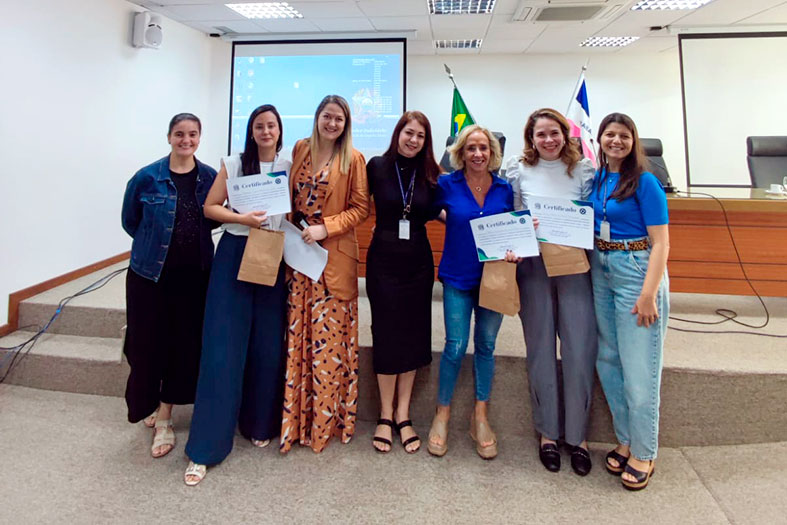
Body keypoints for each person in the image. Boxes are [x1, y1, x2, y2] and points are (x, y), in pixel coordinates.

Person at [183, 105, 291, 485]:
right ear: (251, 130)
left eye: (272, 125)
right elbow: (210, 207)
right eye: (259, 126)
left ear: (280, 130)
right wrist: (241, 218)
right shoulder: (233, 163)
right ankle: (205, 447)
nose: (266, 131)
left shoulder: (290, 163)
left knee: (266, 345)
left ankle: (258, 422)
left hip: (272, 256)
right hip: (234, 254)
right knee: (222, 348)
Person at [503, 108, 597, 475]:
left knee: (579, 347)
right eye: (540, 134)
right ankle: (547, 433)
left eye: (554, 133)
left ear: (565, 134)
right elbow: (511, 216)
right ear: (531, 138)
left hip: (575, 266)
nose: (548, 140)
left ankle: (578, 436)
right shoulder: (517, 169)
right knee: (540, 348)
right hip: (534, 267)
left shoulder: (584, 169)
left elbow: (594, 216)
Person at [121, 113, 217, 459]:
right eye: (179, 134)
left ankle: (165, 416)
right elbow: (130, 221)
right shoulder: (147, 178)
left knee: (183, 345)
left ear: (199, 138)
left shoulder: (209, 177)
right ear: (169, 137)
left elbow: (220, 214)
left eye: (192, 134)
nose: (186, 140)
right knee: (146, 344)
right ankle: (146, 402)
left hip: (194, 277)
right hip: (149, 276)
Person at [279, 95, 369, 454]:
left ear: (346, 125)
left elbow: (361, 208)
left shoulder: (354, 158)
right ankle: (295, 422)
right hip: (299, 261)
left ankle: (324, 425)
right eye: (327, 117)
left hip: (332, 261)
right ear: (316, 118)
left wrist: (326, 228)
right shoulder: (300, 148)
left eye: (339, 119)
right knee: (298, 343)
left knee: (327, 349)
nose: (332, 124)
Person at [589, 112, 669, 491]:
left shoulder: (646, 181)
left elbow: (662, 244)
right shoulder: (599, 177)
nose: (615, 141)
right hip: (600, 268)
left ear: (633, 140)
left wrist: (649, 293)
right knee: (608, 359)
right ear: (600, 139)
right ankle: (626, 438)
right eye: (609, 134)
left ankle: (645, 451)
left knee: (640, 369)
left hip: (636, 271)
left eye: (623, 135)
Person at [427, 125, 513, 460]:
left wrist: (513, 249)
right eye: (471, 148)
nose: (478, 154)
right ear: (461, 153)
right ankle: (442, 413)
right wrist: (453, 220)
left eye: (484, 148)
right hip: (457, 276)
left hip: (494, 278)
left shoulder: (505, 188)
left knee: (487, 346)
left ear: (492, 153)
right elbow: (428, 207)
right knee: (455, 346)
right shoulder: (447, 183)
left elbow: (515, 227)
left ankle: (480, 415)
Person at [366, 111, 441, 454]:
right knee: (385, 333)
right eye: (408, 133)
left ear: (426, 142)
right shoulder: (376, 166)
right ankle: (384, 415)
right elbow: (351, 202)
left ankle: (403, 414)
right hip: (382, 260)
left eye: (420, 136)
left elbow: (448, 212)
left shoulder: (432, 175)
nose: (413, 140)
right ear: (398, 133)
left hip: (418, 265)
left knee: (412, 334)